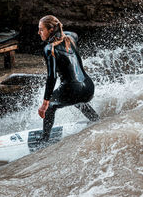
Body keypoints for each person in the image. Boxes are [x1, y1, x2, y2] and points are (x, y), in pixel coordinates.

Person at [37, 15, 99, 144]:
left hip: (73, 90)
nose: (39, 33)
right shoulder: (71, 37)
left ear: (51, 30)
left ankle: (43, 141)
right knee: (77, 100)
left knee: (50, 107)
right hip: (88, 88)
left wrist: (45, 103)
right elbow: (74, 34)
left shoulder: (50, 49)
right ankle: (97, 121)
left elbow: (52, 77)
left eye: (41, 29)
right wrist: (59, 33)